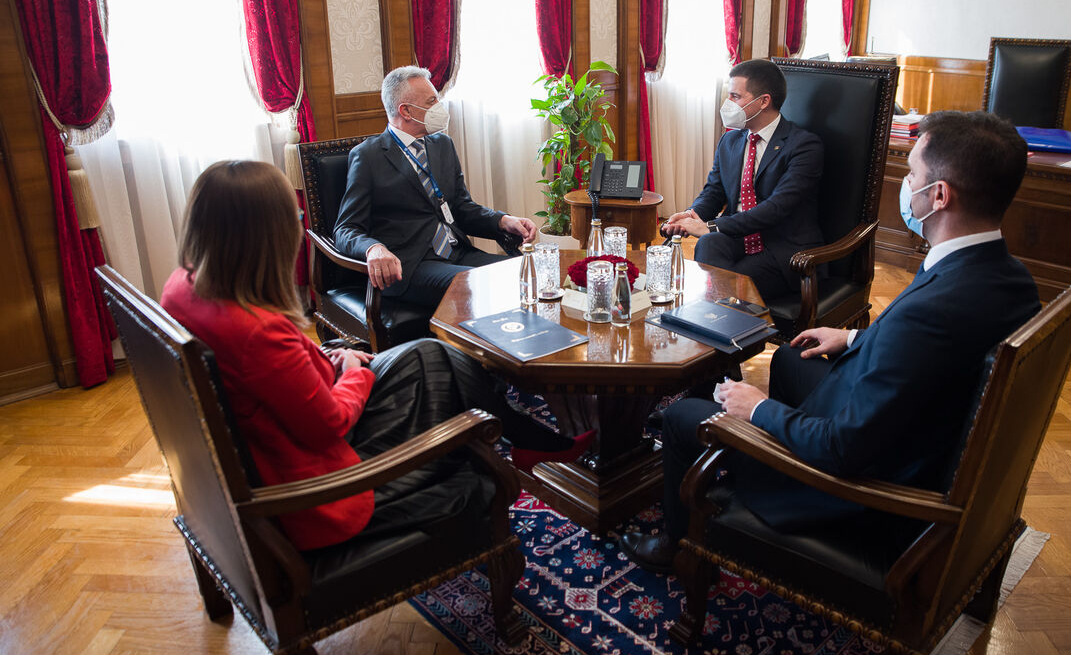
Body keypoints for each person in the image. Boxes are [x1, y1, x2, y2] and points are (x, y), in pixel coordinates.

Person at [622, 110, 1042, 572]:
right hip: (907, 429)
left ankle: (680, 547)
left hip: (853, 487)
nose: (906, 185)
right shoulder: (1011, 278)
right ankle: (759, 463)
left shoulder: (930, 312)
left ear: (939, 195)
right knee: (790, 358)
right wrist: (854, 336)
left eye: (912, 174)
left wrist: (757, 409)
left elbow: (842, 448)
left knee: (683, 416)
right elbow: (935, 351)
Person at [162, 160, 592, 551]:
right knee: (441, 386)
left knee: (433, 355)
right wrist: (353, 369)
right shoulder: (259, 331)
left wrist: (329, 358)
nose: (297, 225)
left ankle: (529, 440)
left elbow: (274, 374)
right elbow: (330, 423)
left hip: (295, 431)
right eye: (293, 218)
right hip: (326, 488)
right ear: (262, 238)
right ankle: (520, 441)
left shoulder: (181, 288)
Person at [334, 65, 539, 312]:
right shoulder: (369, 156)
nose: (439, 108)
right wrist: (373, 248)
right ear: (406, 111)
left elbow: (462, 207)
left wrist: (503, 221)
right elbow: (346, 228)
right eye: (432, 102)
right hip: (411, 265)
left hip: (457, 253)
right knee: (477, 285)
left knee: (526, 272)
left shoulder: (442, 144)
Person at [661, 58, 823, 300]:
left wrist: (711, 226)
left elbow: (776, 208)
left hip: (780, 246)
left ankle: (719, 315)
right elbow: (714, 192)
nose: (727, 104)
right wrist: (690, 216)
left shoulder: (804, 146)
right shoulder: (731, 140)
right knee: (708, 245)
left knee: (731, 282)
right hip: (738, 237)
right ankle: (719, 313)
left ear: (764, 101)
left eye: (735, 96)